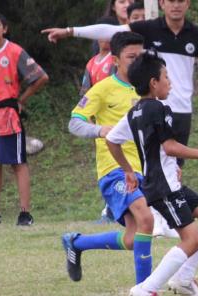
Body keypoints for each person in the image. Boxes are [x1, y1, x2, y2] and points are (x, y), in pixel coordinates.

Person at [106, 51, 198, 296]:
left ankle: (184, 279)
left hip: (165, 183)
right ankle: (146, 289)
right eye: (166, 77)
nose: (169, 82)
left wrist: (129, 171)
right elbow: (169, 147)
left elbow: (111, 140)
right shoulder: (160, 107)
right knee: (192, 240)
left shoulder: (134, 112)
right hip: (164, 187)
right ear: (153, 82)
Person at [41, 0, 198, 167]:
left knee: (174, 168)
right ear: (162, 3)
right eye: (171, 1)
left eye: (181, 1)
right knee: (151, 164)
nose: (176, 5)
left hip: (181, 110)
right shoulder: (148, 28)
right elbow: (110, 31)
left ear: (188, 3)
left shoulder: (196, 34)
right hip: (152, 106)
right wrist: (71, 31)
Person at [62, 32, 153, 285]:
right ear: (115, 60)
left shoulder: (148, 88)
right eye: (131, 57)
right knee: (147, 219)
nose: (137, 62)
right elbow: (74, 123)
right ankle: (145, 290)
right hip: (114, 168)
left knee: (134, 238)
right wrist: (100, 130)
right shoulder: (102, 89)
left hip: (144, 168)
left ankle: (76, 243)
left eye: (141, 56)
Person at [0, 9, 48, 226]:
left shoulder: (14, 51)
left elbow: (40, 77)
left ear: (5, 29)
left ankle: (25, 214)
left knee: (17, 162)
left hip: (9, 114)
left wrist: (20, 100)